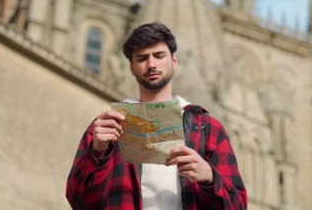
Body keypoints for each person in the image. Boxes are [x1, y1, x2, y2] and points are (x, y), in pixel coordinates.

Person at [66, 22, 247, 209]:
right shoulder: (107, 125)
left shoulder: (206, 127)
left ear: (174, 61)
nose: (151, 64)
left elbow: (238, 206)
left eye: (159, 55)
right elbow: (78, 200)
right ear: (131, 67)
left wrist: (209, 176)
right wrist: (97, 153)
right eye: (142, 58)